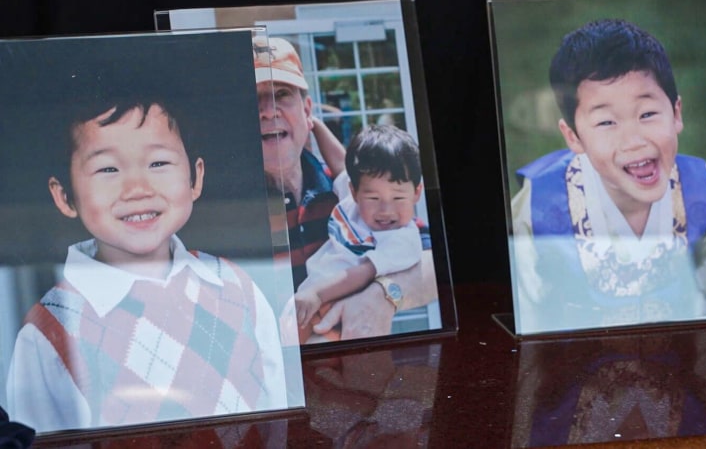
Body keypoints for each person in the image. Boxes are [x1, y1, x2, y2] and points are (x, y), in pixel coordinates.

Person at [6, 96, 287, 432]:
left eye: (158, 163)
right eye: (108, 169)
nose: (137, 189)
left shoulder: (237, 286)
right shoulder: (48, 332)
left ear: (195, 178)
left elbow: (280, 413)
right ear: (64, 196)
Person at [510, 18, 706, 334]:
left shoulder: (704, 191)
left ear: (676, 113)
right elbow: (530, 321)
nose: (633, 140)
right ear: (572, 136)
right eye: (606, 122)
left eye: (647, 114)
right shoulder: (538, 205)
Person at [254, 37, 438, 340]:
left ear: (306, 110)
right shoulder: (226, 212)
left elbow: (436, 259)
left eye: (281, 94)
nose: (267, 110)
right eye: (253, 99)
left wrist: (383, 296)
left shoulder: (355, 196)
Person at [294, 124, 424, 342]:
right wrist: (315, 125)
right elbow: (340, 164)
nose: (386, 210)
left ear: (416, 192)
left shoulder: (404, 240)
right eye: (374, 198)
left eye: (398, 198)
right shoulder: (353, 203)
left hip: (337, 309)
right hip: (311, 299)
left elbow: (364, 272)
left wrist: (317, 294)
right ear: (355, 192)